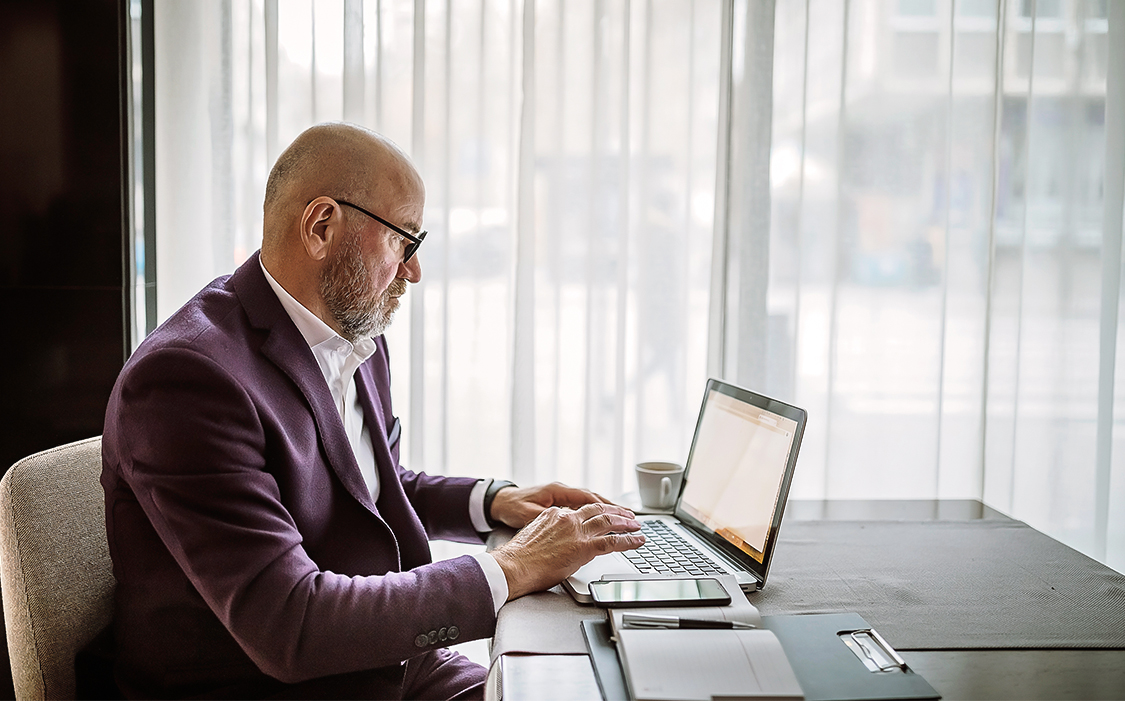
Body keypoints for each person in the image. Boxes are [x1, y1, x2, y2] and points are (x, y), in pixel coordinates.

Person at [100, 122, 645, 699]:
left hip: (389, 664)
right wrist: (511, 569)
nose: (413, 270)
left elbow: (368, 488)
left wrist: (493, 502)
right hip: (279, 681)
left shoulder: (354, 332)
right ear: (321, 227)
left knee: (582, 685)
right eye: (402, 240)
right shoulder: (188, 381)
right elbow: (291, 625)